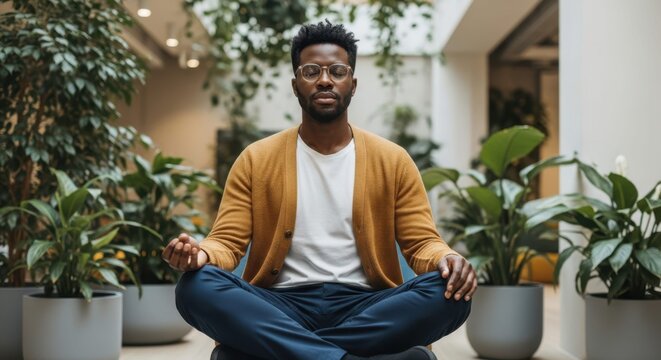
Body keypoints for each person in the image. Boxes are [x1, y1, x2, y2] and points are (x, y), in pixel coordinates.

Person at [164, 21, 476, 360]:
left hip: (365, 305)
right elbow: (226, 241)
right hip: (281, 304)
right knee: (196, 287)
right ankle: (342, 356)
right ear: (296, 84)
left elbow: (421, 243)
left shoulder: (393, 159)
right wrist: (201, 255)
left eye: (337, 71)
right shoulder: (256, 159)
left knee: (449, 292)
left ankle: (291, 349)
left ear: (352, 84)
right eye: (311, 71)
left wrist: (448, 259)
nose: (324, 79)